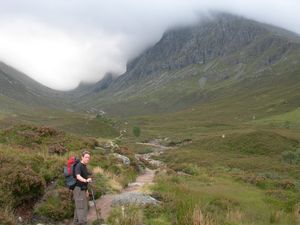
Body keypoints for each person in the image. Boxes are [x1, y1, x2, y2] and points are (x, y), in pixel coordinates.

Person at [73, 150, 92, 225]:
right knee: (82, 208)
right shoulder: (79, 165)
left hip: (82, 189)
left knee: (79, 206)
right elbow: (78, 176)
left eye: (88, 157)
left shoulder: (84, 166)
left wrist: (86, 190)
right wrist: (86, 180)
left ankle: (76, 222)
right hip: (78, 189)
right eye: (86, 157)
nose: (87, 159)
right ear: (82, 157)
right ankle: (82, 223)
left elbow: (84, 179)